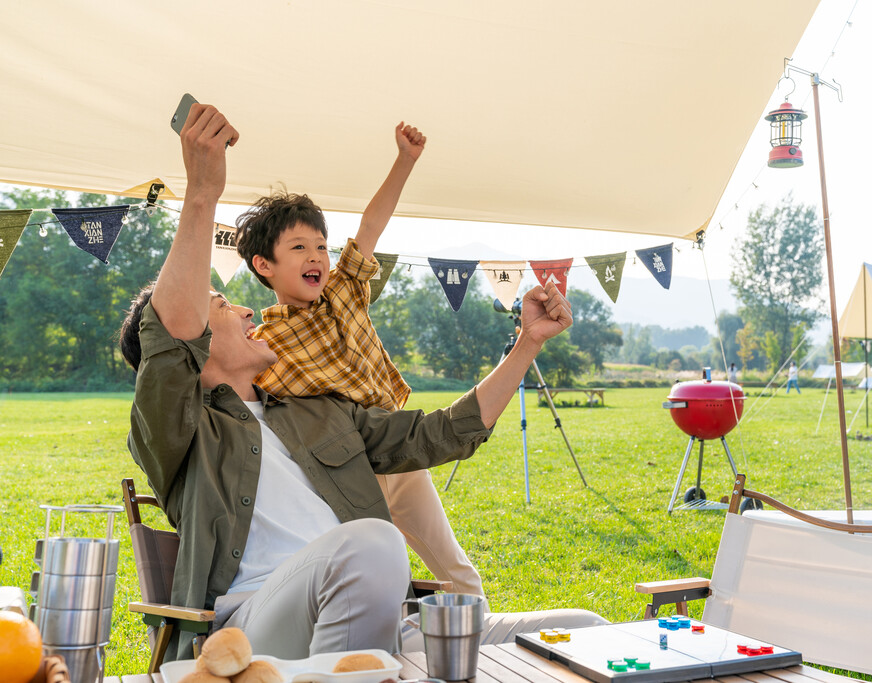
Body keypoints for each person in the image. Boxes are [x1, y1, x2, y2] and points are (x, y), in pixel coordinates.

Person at [119, 102, 605, 662]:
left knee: (585, 629)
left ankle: (373, 665)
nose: (248, 313)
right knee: (373, 541)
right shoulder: (178, 433)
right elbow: (169, 339)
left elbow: (439, 434)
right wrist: (203, 190)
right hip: (253, 624)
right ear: (196, 347)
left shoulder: (314, 411)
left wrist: (527, 343)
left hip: (377, 620)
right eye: (223, 306)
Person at [233, 124, 486, 601]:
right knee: (376, 582)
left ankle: (480, 658)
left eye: (321, 247)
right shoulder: (264, 343)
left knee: (457, 571)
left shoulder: (343, 292)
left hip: (401, 453)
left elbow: (370, 226)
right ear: (264, 265)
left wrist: (405, 160)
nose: (317, 257)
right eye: (299, 248)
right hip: (343, 473)